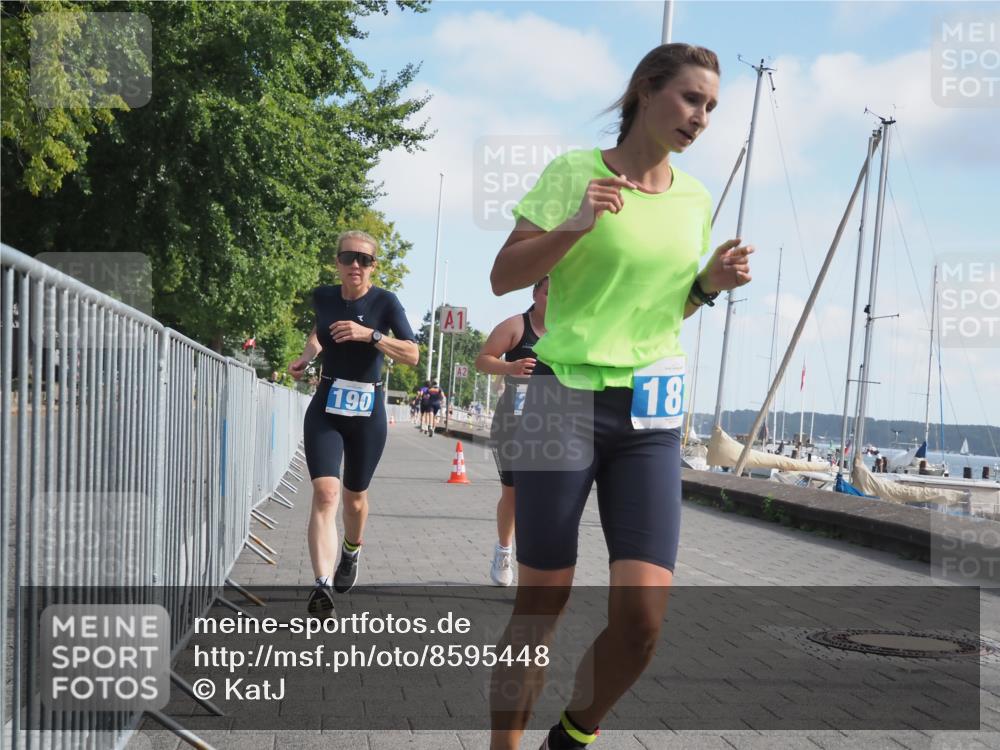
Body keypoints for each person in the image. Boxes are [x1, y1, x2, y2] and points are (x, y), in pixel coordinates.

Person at [486, 44, 753, 750]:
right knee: (542, 605)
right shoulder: (574, 171)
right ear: (646, 90)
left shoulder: (694, 198)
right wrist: (573, 225)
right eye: (692, 99)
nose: (702, 118)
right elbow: (502, 276)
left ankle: (572, 735)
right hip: (560, 403)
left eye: (712, 108)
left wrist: (708, 286)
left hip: (651, 416)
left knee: (642, 620)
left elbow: (665, 311)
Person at [288, 230, 419, 613]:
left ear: (374, 265)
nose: (356, 265)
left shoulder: (385, 302)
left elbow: (411, 354)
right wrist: (306, 357)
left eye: (364, 259)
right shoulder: (324, 297)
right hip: (326, 407)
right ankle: (322, 585)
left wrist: (371, 335)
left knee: (354, 498)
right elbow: (320, 332)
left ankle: (351, 550)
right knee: (326, 494)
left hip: (367, 413)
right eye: (349, 258)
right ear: (337, 262)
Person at [474, 277, 549, 587]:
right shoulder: (517, 326)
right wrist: (510, 367)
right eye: (548, 292)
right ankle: (504, 551)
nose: (554, 299)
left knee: (547, 496)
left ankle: (540, 560)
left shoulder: (571, 331)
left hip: (552, 424)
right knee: (514, 494)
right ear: (535, 293)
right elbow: (482, 360)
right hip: (512, 423)